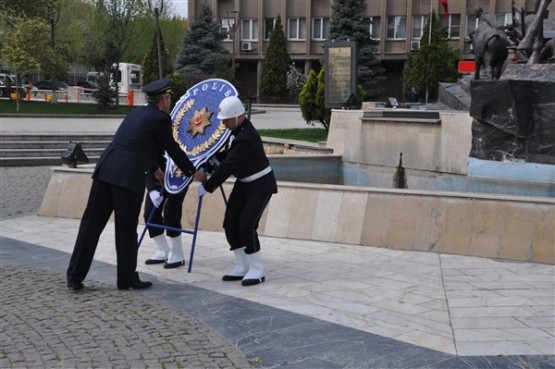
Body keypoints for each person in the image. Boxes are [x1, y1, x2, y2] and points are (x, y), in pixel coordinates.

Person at [66, 78, 204, 291]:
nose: (170, 103)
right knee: (126, 230)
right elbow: (172, 149)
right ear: (164, 100)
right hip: (127, 179)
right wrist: (193, 171)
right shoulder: (160, 119)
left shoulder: (136, 113)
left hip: (106, 171)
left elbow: (137, 145)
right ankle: (127, 279)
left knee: (91, 225)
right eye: (170, 99)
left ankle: (74, 276)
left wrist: (154, 168)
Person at [197, 96, 278, 286]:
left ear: (237, 116)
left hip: (260, 185)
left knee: (246, 226)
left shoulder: (246, 137)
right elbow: (226, 156)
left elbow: (228, 166)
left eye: (226, 119)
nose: (223, 123)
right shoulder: (236, 131)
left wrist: (208, 186)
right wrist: (208, 163)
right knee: (230, 224)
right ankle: (242, 265)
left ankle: (257, 269)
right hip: (244, 184)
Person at [143, 154, 188, 269]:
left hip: (180, 176)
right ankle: (163, 250)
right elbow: (148, 160)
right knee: (149, 214)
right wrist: (152, 189)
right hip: (158, 177)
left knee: (171, 212)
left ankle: (178, 253)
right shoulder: (152, 138)